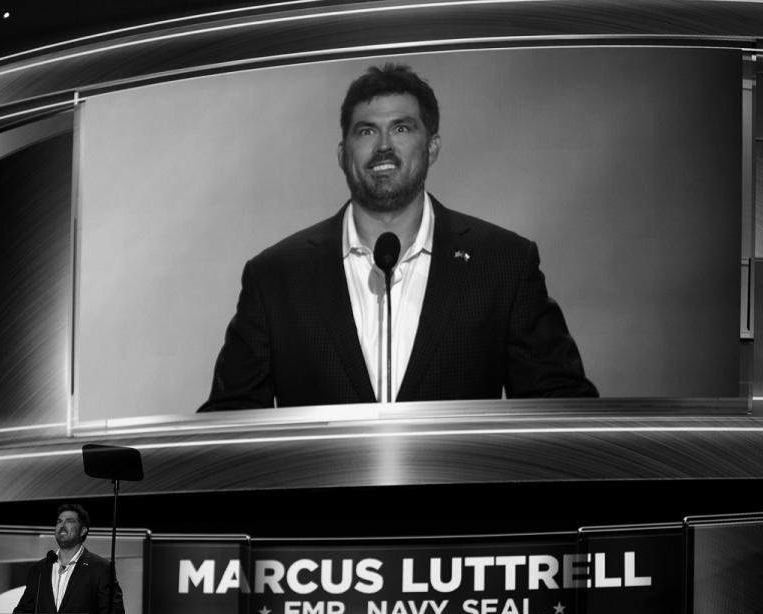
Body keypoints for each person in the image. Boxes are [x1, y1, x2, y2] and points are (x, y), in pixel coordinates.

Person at [200, 63, 597, 411]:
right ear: (343, 153)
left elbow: (562, 410)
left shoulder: (504, 263)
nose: (384, 146)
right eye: (367, 131)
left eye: (402, 128)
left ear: (433, 147)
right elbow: (230, 422)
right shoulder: (275, 276)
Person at [13, 503, 124, 614]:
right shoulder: (39, 569)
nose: (62, 525)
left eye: (69, 521)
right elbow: (22, 612)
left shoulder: (100, 568)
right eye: (59, 521)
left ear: (83, 531)